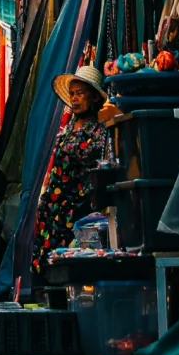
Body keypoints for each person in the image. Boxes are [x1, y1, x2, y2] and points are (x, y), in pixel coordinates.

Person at [30, 65, 117, 275]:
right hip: (53, 206)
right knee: (45, 259)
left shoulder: (99, 129)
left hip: (76, 207)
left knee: (67, 259)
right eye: (72, 94)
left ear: (94, 97)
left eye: (80, 94)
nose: (75, 99)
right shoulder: (71, 126)